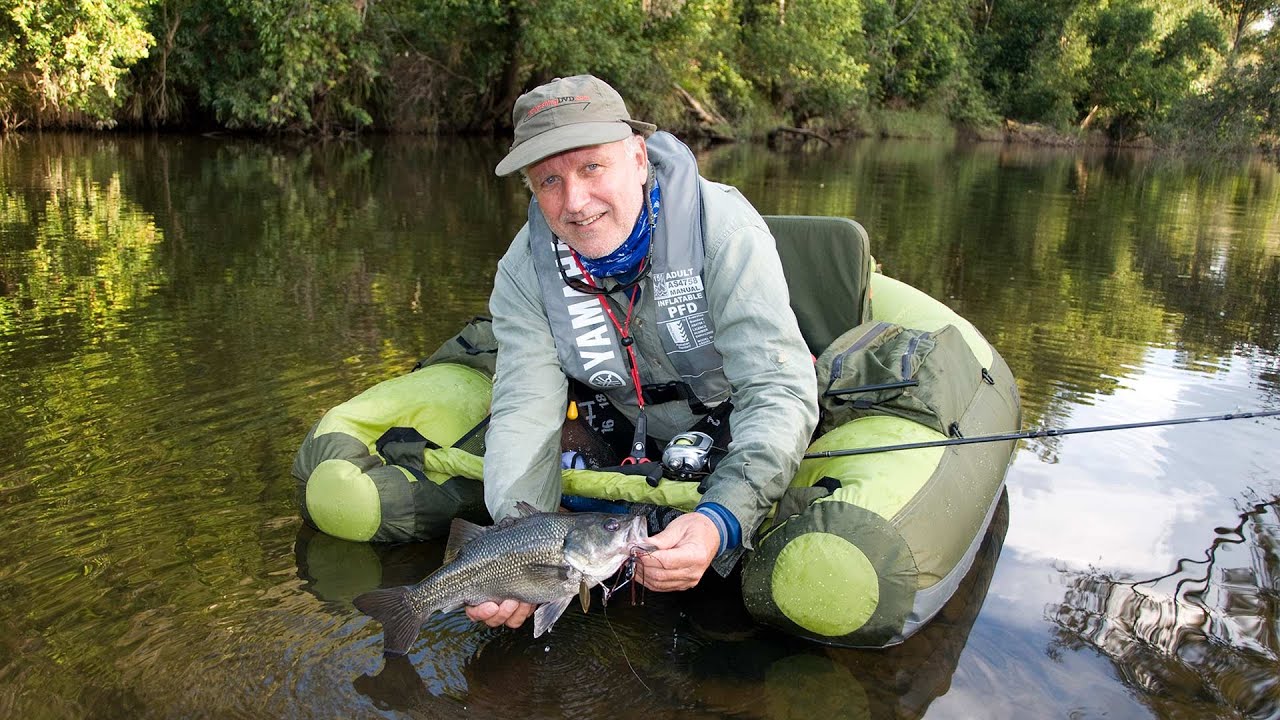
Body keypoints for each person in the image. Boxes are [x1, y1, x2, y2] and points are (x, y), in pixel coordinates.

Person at [466, 75, 818, 631]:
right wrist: (522, 550)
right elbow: (523, 410)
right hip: (622, 422)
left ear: (637, 157)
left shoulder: (724, 230)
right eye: (549, 180)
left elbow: (777, 391)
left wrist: (717, 520)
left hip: (726, 419)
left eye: (591, 168)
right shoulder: (524, 271)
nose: (574, 202)